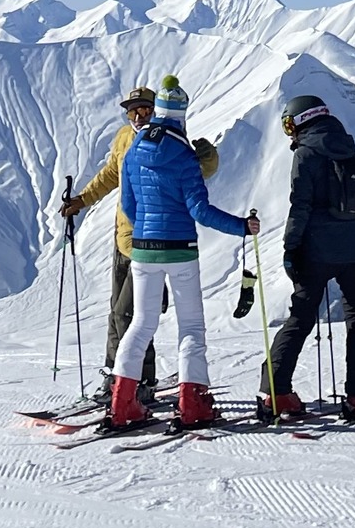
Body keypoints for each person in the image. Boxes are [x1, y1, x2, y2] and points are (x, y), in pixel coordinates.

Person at [109, 77, 258, 428]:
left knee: (141, 324)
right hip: (180, 250)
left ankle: (121, 404)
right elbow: (200, 211)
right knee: (190, 326)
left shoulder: (133, 152)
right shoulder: (185, 156)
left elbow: (128, 207)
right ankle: (193, 404)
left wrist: (147, 230)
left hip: (142, 250)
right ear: (181, 115)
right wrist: (241, 226)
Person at [60, 85, 219, 402]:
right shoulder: (123, 137)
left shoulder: (167, 141)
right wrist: (82, 200)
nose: (138, 114)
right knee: (116, 314)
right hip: (121, 241)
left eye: (145, 108)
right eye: (132, 109)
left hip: (150, 245)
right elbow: (110, 174)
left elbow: (198, 171)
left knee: (129, 316)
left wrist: (210, 158)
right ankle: (114, 377)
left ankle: (138, 384)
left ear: (156, 110)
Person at [264, 95, 355, 422]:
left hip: (315, 250)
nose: (289, 131)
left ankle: (276, 391)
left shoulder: (305, 154)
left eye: (290, 123)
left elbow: (299, 206)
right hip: (354, 248)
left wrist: (291, 249)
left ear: (302, 120)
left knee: (301, 317)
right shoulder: (350, 150)